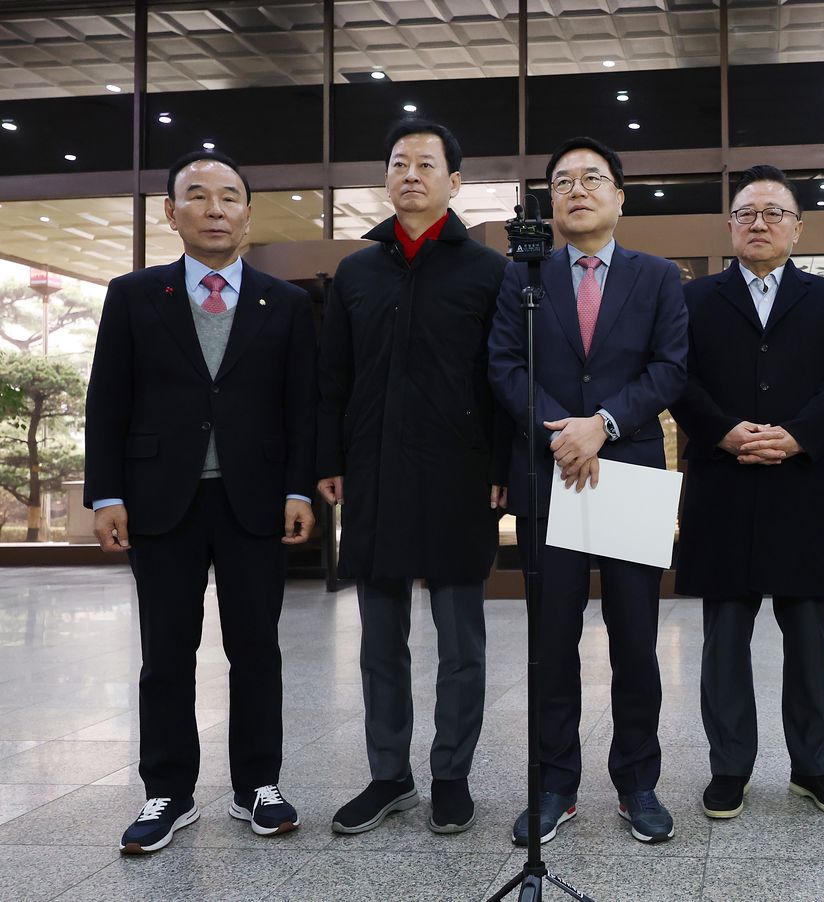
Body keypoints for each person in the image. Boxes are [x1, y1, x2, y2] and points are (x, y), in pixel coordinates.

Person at [85, 150, 316, 853]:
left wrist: (300, 487)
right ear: (171, 212)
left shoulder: (288, 301)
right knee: (166, 654)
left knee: (257, 650)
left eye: (229, 197)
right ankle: (167, 791)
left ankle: (258, 785)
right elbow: (108, 401)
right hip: (159, 501)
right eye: (198, 197)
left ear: (248, 213)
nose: (215, 209)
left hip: (254, 500)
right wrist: (106, 494)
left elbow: (302, 407)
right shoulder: (133, 295)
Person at [488, 136, 688, 846]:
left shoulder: (658, 275)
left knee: (637, 641)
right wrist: (560, 433)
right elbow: (505, 364)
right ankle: (553, 784)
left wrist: (602, 424)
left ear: (619, 195)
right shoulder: (525, 274)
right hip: (549, 471)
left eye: (592, 178)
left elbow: (671, 368)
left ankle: (638, 783)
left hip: (627, 468)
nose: (577, 189)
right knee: (552, 640)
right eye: (563, 180)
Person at [317, 119, 510, 837]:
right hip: (374, 473)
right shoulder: (356, 272)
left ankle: (451, 774)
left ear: (454, 182)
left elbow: (503, 381)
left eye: (426, 164)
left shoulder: (489, 272)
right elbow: (331, 378)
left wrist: (500, 468)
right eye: (399, 162)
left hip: (461, 477)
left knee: (461, 642)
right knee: (378, 641)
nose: (411, 174)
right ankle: (388, 775)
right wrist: (328, 461)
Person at [671, 164, 824, 821]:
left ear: (798, 229)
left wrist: (795, 435)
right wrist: (724, 432)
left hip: (800, 485)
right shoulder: (693, 301)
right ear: (729, 226)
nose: (760, 223)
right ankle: (729, 769)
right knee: (725, 638)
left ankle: (816, 767)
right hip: (722, 486)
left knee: (809, 637)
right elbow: (679, 380)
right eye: (747, 213)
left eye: (774, 213)